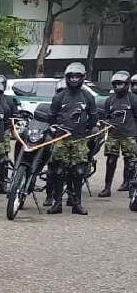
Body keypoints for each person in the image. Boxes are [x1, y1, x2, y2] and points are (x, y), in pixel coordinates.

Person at [47, 62, 98, 215]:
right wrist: (56, 130)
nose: (74, 79)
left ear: (82, 78)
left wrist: (87, 130)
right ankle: (57, 203)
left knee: (79, 171)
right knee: (58, 171)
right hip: (61, 139)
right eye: (71, 77)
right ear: (67, 78)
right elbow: (52, 117)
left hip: (79, 139)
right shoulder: (59, 97)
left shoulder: (88, 97)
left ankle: (77, 204)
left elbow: (93, 118)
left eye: (77, 77)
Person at [99, 71, 135, 198]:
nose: (118, 87)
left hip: (129, 135)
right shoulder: (110, 100)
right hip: (113, 135)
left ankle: (130, 187)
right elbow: (107, 116)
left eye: (121, 84)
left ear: (127, 84)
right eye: (116, 84)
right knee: (110, 161)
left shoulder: (133, 99)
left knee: (130, 162)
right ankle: (107, 187)